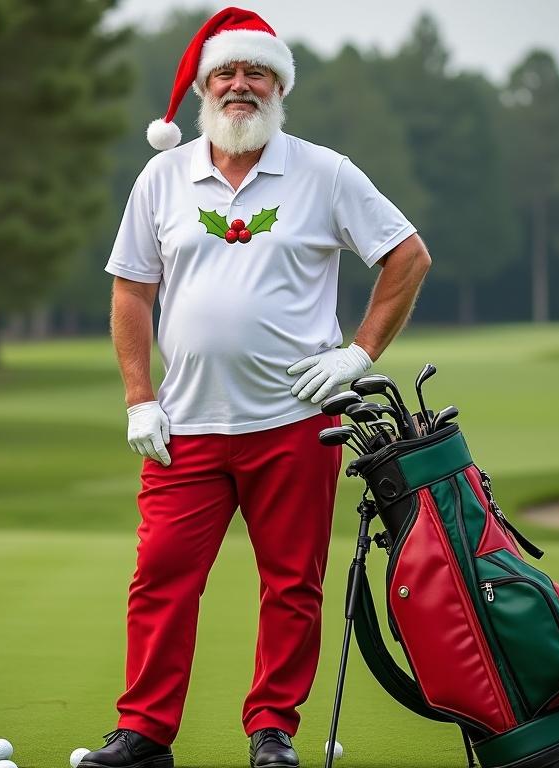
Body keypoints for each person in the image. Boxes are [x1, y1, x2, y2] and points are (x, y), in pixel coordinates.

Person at [82, 8, 432, 768]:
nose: (240, 85)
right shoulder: (163, 176)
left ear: (278, 85)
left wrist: (358, 355)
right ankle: (144, 732)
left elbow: (407, 257)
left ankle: (271, 730)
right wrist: (140, 396)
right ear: (205, 87)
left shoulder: (324, 172)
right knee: (161, 579)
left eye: (256, 73)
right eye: (226, 74)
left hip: (296, 423)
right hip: (187, 424)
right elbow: (132, 293)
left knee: (291, 586)